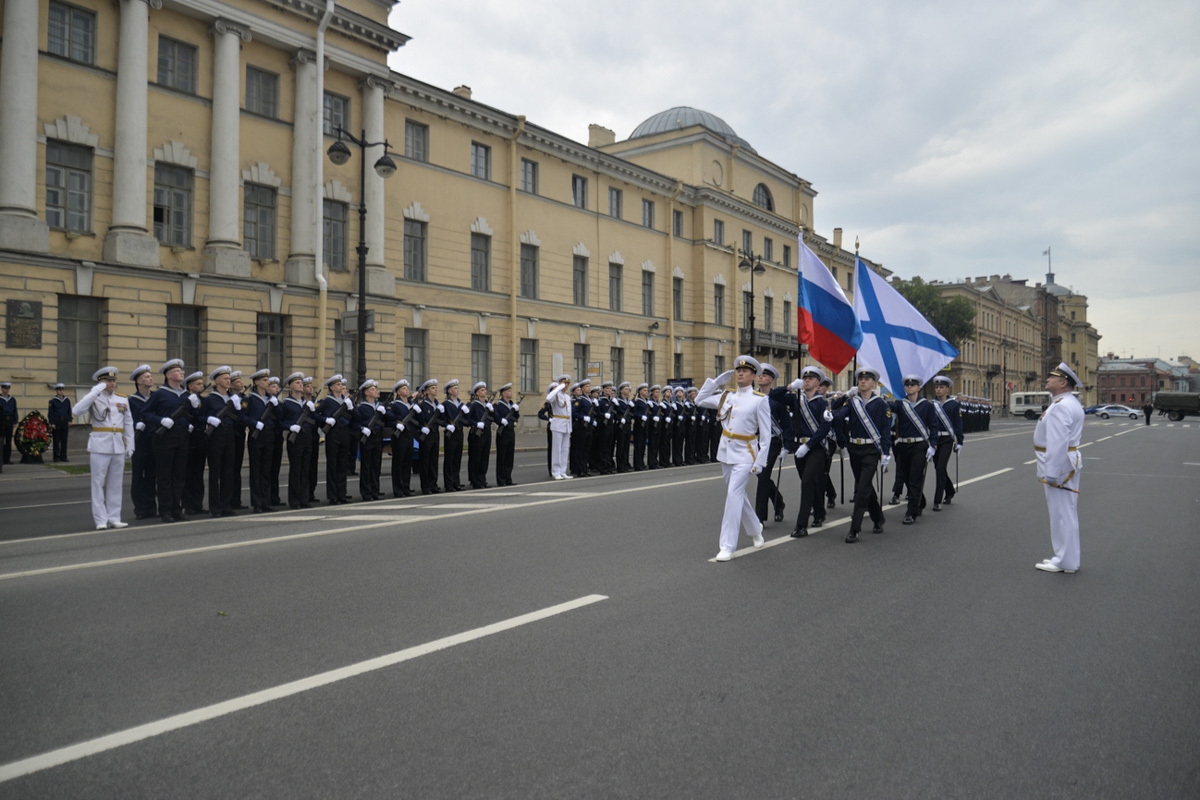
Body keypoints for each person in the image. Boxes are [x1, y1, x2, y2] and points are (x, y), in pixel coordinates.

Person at [695, 355, 771, 561]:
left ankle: (727, 546)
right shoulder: (726, 396)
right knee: (736, 494)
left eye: (745, 371)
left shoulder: (760, 400)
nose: (740, 373)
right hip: (726, 452)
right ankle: (756, 529)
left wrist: (760, 461)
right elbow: (699, 400)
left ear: (754, 375)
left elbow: (765, 435)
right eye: (738, 370)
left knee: (733, 496)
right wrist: (715, 383)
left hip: (746, 454)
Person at [831, 367, 892, 543]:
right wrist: (844, 396)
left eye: (867, 379)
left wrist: (886, 453)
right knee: (865, 486)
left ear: (873, 383)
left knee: (861, 489)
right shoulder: (852, 401)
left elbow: (885, 431)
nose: (862, 381)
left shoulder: (880, 404)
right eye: (860, 379)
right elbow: (839, 413)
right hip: (855, 450)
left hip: (871, 451)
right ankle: (878, 518)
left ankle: (854, 529)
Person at [1034, 363, 1085, 574]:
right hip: (1068, 462)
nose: (1047, 380)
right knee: (1066, 512)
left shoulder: (1061, 405)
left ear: (1063, 383)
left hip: (1060, 465)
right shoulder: (1068, 402)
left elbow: (1057, 442)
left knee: (1061, 514)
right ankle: (1067, 559)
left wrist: (1052, 472)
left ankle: (1064, 560)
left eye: (1052, 377)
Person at [72, 367, 135, 529]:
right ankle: (100, 520)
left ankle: (114, 517)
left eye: (113, 380)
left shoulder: (122, 399)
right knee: (98, 483)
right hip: (100, 445)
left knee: (116, 484)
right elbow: (77, 411)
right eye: (107, 380)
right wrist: (94, 392)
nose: (111, 383)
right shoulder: (94, 398)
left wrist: (130, 445)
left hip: (118, 446)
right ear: (100, 383)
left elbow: (128, 424)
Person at [140, 359, 199, 523]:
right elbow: (145, 414)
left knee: (180, 475)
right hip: (165, 437)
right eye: (178, 371)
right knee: (165, 475)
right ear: (169, 375)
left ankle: (176, 509)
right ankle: (165, 510)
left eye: (182, 371)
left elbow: (194, 417)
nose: (182, 373)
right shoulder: (159, 394)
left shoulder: (187, 395)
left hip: (182, 437)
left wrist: (195, 408)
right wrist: (161, 420)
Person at [789, 366, 834, 538]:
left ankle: (801, 525)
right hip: (798, 448)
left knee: (807, 482)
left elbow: (825, 427)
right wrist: (790, 387)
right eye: (805, 378)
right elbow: (775, 396)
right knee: (809, 483)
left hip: (815, 449)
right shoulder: (796, 399)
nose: (806, 380)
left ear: (817, 383)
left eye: (811, 378)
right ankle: (820, 513)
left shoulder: (822, 402)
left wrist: (808, 445)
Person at [889, 375, 938, 525]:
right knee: (906, 478)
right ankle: (920, 501)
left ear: (919, 388)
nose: (909, 387)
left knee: (915, 477)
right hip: (903, 445)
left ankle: (911, 512)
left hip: (919, 445)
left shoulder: (927, 406)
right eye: (907, 386)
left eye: (913, 385)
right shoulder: (900, 404)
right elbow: (884, 407)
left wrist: (933, 445)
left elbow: (934, 426)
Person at [754, 363, 792, 525]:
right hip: (755, 441)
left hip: (772, 441)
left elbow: (787, 425)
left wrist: (787, 446)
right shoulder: (753, 397)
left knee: (763, 476)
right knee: (760, 474)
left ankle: (759, 517)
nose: (760, 377)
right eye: (759, 374)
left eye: (764, 375)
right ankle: (779, 502)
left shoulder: (778, 400)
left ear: (771, 379)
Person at [200, 366, 241, 517]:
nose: (228, 381)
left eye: (229, 378)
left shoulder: (232, 398)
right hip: (215, 436)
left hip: (230, 435)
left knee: (228, 471)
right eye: (225, 378)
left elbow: (240, 419)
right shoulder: (210, 399)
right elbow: (199, 416)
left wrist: (237, 408)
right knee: (215, 472)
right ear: (217, 381)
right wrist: (209, 419)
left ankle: (226, 506)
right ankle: (215, 507)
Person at [278, 372, 317, 508]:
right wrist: (290, 427)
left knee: (306, 469)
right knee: (296, 469)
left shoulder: (306, 404)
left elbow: (314, 421)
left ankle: (304, 499)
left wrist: (313, 411)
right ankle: (294, 500)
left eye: (301, 382)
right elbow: (280, 422)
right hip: (295, 438)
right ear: (291, 387)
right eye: (297, 383)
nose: (301, 385)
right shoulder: (286, 404)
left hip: (307, 437)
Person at [243, 368, 277, 513]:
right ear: (257, 382)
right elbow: (242, 417)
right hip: (256, 436)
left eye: (267, 380)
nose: (267, 382)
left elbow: (279, 417)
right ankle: (257, 503)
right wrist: (254, 423)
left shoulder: (271, 399)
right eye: (264, 380)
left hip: (269, 435)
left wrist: (277, 406)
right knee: (256, 470)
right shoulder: (250, 399)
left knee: (266, 470)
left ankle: (266, 501)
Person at [317, 374, 355, 504]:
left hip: (345, 433)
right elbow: (314, 414)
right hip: (333, 433)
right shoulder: (327, 401)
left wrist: (351, 409)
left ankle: (342, 494)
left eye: (342, 384)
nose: (341, 386)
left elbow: (356, 418)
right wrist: (325, 421)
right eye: (338, 385)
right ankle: (333, 496)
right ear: (332, 388)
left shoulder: (346, 401)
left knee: (343, 465)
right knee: (333, 465)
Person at [128, 364, 157, 519]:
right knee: (139, 475)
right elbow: (126, 420)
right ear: (139, 381)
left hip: (154, 439)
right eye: (147, 376)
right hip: (139, 441)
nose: (151, 378)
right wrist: (135, 425)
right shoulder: (132, 401)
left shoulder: (156, 397)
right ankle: (140, 508)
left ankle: (151, 507)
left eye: (151, 376)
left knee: (152, 475)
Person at [929, 376, 963, 511]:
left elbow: (958, 424)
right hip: (934, 440)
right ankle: (950, 491)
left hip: (947, 440)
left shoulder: (954, 405)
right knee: (939, 467)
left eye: (941, 387)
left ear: (947, 389)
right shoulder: (931, 404)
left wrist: (960, 441)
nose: (938, 389)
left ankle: (937, 501)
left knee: (940, 467)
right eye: (937, 387)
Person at [181, 371, 209, 515]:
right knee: (188, 472)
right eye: (198, 384)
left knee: (198, 473)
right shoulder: (185, 399)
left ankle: (198, 503)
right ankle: (188, 504)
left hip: (201, 438)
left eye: (201, 383)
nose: (201, 386)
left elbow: (204, 416)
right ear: (190, 386)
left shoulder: (202, 400)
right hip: (188, 439)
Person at [355, 379, 386, 501]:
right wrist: (362, 428)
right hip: (367, 438)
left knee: (376, 464)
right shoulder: (362, 407)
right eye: (373, 389)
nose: (377, 391)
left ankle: (375, 490)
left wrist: (385, 413)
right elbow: (355, 422)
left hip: (378, 437)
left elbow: (387, 420)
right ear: (366, 393)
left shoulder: (379, 406)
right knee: (366, 465)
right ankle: (366, 492)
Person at [387, 379, 416, 497]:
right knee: (399, 463)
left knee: (407, 462)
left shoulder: (410, 405)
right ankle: (398, 489)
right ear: (398, 392)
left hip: (409, 435)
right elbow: (388, 418)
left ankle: (406, 487)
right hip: (399, 436)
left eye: (407, 388)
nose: (407, 390)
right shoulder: (394, 405)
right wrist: (396, 424)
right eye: (404, 389)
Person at [415, 378, 442, 494]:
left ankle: (433, 484)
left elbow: (442, 420)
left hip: (435, 434)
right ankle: (426, 486)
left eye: (436, 388)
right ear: (426, 392)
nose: (435, 390)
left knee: (434, 461)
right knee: (425, 461)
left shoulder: (437, 405)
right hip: (426, 435)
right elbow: (417, 421)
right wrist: (422, 428)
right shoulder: (422, 405)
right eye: (432, 388)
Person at [466, 381, 493, 489]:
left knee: (484, 457)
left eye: (485, 390)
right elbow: (467, 419)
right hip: (476, 433)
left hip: (486, 432)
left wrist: (492, 410)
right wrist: (476, 423)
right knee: (475, 457)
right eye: (482, 390)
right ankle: (474, 480)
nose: (484, 392)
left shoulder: (487, 405)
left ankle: (482, 479)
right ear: (476, 393)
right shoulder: (473, 405)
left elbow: (494, 418)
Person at [441, 379, 466, 491]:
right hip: (450, 433)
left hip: (459, 432)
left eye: (457, 388)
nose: (457, 390)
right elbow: (441, 419)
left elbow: (466, 420)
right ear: (449, 391)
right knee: (449, 459)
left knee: (457, 458)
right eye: (455, 388)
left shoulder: (461, 404)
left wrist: (467, 413)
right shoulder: (445, 404)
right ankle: (448, 483)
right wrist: (447, 425)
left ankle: (456, 482)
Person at [817, 377, 839, 509]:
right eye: (818, 385)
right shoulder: (807, 400)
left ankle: (829, 496)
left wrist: (841, 440)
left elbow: (838, 420)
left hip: (828, 441)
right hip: (814, 439)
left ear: (826, 388)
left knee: (823, 471)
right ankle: (831, 493)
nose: (819, 388)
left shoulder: (831, 402)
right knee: (819, 471)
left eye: (822, 386)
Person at [492, 382, 519, 486]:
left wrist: (516, 411)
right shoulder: (498, 405)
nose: (510, 392)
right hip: (502, 432)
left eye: (511, 390)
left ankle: (508, 478)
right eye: (508, 391)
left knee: (509, 457)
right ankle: (501, 480)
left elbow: (516, 418)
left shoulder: (512, 405)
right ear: (503, 394)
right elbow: (495, 416)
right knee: (502, 457)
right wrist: (500, 420)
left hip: (511, 431)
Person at [546, 374, 573, 480]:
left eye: (567, 384)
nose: (566, 386)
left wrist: (570, 427)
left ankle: (563, 471)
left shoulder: (567, 397)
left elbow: (569, 413)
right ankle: (556, 471)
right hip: (557, 424)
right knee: (556, 449)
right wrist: (558, 388)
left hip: (566, 424)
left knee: (565, 449)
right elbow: (548, 398)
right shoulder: (555, 395)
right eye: (564, 383)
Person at [267, 376, 284, 506]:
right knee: (267, 468)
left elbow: (281, 418)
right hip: (267, 435)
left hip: (277, 436)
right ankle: (268, 497)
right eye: (273, 386)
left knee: (275, 468)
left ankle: (275, 496)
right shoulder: (265, 402)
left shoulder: (277, 402)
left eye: (277, 386)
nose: (276, 388)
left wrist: (277, 405)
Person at [48, 383, 72, 462]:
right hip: (57, 421)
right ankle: (56, 457)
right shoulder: (53, 401)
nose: (61, 392)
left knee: (64, 440)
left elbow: (69, 411)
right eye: (59, 390)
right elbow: (50, 413)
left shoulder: (67, 400)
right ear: (56, 391)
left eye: (62, 390)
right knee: (56, 440)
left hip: (64, 421)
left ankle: (63, 456)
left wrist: (69, 420)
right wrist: (52, 423)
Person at [0, 381, 17, 465]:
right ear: (2, 389)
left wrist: (15, 421)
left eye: (7, 388)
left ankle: (7, 459)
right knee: (1, 440)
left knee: (8, 440)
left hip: (9, 421)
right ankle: (1, 459)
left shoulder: (12, 399)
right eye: (4, 388)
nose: (6, 390)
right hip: (1, 421)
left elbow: (14, 411)